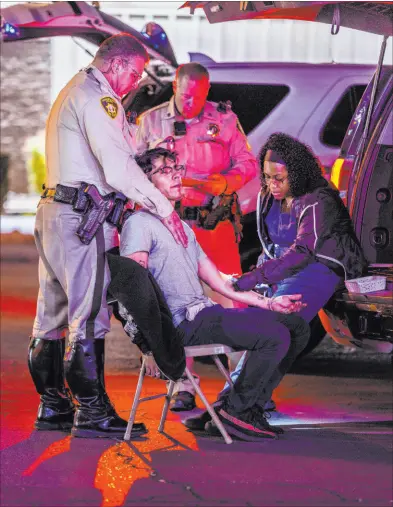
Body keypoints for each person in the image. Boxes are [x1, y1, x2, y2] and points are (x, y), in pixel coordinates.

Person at [28, 33, 189, 440]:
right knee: (88, 316)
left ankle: (54, 405)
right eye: (133, 73)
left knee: (52, 316)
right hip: (83, 219)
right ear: (116, 64)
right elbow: (117, 169)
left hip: (55, 213)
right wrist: (164, 208)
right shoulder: (99, 98)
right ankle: (94, 412)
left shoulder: (74, 90)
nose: (134, 82)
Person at [119, 147, 310, 441]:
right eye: (164, 171)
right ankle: (237, 412)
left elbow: (221, 283)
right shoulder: (139, 225)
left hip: (205, 314)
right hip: (180, 325)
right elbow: (132, 290)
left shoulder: (180, 227)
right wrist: (148, 345)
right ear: (143, 182)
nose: (176, 176)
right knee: (274, 337)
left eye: (176, 168)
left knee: (296, 327)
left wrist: (271, 303)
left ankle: (239, 408)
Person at [215, 132, 368, 414]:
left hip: (321, 265)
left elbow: (304, 252)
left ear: (296, 173)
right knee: (274, 331)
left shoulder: (318, 197)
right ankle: (240, 402)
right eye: (267, 176)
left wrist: (254, 278)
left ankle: (236, 406)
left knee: (275, 329)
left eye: (279, 178)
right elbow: (269, 243)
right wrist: (263, 279)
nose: (272, 184)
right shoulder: (267, 196)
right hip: (284, 266)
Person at [136, 62, 258, 411]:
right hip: (170, 223)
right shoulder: (151, 121)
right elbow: (131, 167)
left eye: (198, 95)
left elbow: (247, 163)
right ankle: (182, 384)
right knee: (175, 303)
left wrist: (229, 182)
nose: (190, 102)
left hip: (213, 222)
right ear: (175, 85)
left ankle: (243, 385)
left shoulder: (224, 120)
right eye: (185, 94)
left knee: (230, 297)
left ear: (207, 91)